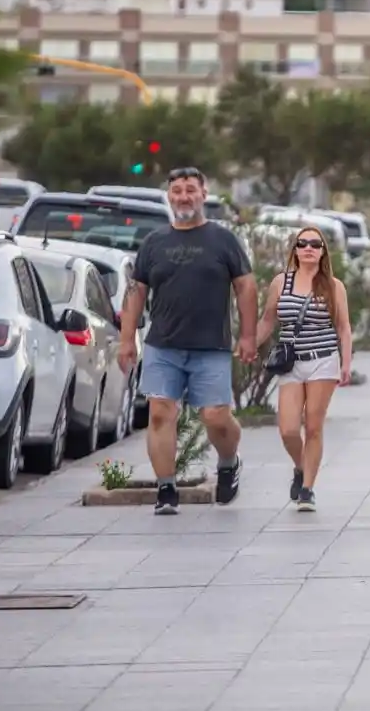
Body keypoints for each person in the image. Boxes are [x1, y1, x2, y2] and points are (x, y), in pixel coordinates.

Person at [118, 167, 257, 515]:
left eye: (190, 190)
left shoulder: (222, 240)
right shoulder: (154, 243)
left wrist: (249, 335)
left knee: (215, 417)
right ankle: (166, 489)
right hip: (163, 345)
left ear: (203, 195)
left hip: (211, 346)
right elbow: (135, 293)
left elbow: (246, 286)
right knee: (161, 415)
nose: (184, 196)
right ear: (169, 196)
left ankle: (228, 461)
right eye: (177, 190)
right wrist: (126, 340)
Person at [256, 227, 353, 512]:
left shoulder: (333, 286)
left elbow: (344, 328)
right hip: (291, 361)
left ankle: (307, 489)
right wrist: (248, 345)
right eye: (303, 243)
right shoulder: (280, 283)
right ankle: (301, 467)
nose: (309, 247)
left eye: (315, 244)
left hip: (323, 360)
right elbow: (267, 319)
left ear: (323, 251)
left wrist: (346, 362)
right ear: (295, 250)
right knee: (287, 429)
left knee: (313, 426)